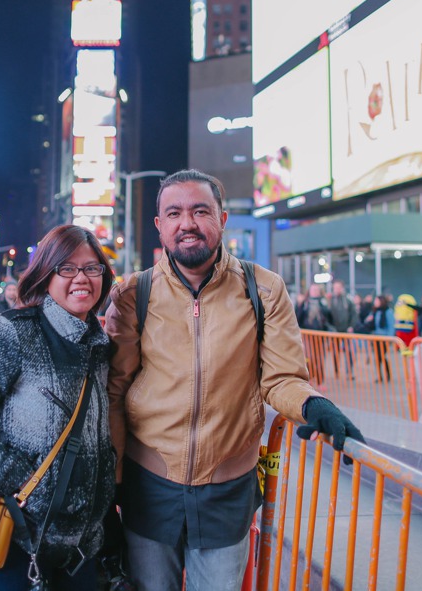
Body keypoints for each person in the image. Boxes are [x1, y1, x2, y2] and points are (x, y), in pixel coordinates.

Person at [105, 169, 362, 591]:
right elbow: (116, 390)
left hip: (228, 487)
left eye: (200, 210)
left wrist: (314, 404)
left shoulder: (264, 289)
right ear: (160, 225)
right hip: (148, 482)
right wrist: (113, 480)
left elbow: (282, 377)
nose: (187, 223)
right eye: (174, 213)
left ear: (222, 219)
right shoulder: (136, 292)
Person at [0, 225, 116, 589]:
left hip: (82, 549)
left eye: (92, 268)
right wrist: (21, 478)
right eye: (67, 268)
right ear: (45, 275)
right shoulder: (15, 332)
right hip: (18, 538)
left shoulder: (99, 344)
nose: (81, 278)